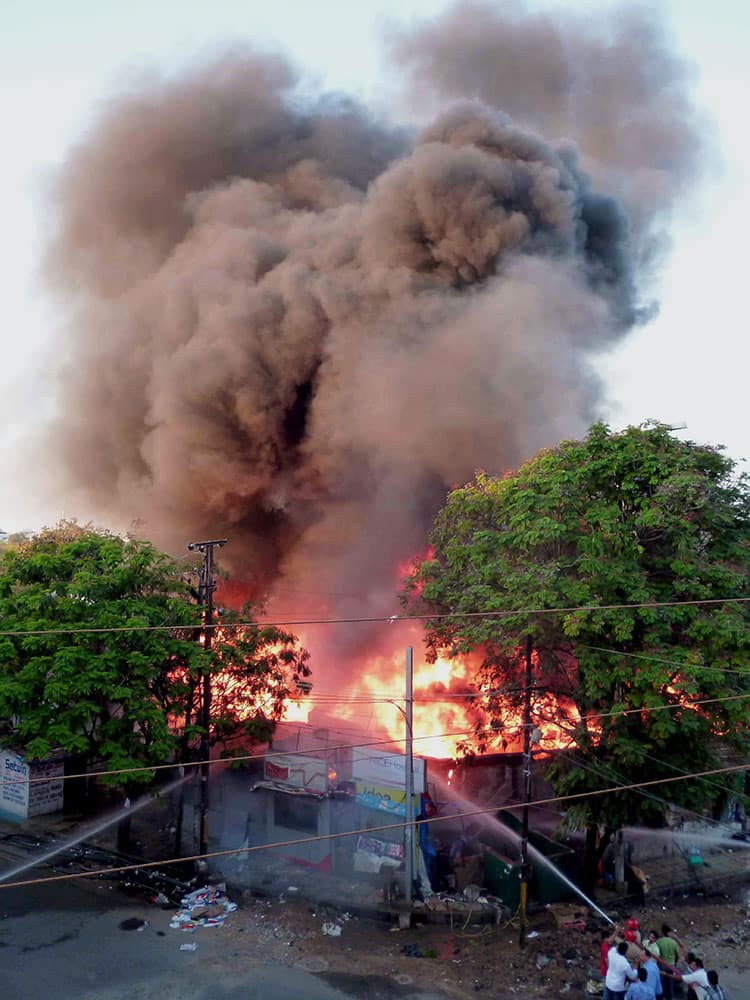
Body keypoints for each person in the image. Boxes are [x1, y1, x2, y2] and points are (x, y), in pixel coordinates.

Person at [655, 924, 685, 1000]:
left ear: (662, 932)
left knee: (661, 984)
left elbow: (656, 954)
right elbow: (677, 955)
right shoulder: (673, 942)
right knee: (670, 984)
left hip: (661, 966)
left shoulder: (658, 942)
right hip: (671, 966)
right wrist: (675, 962)